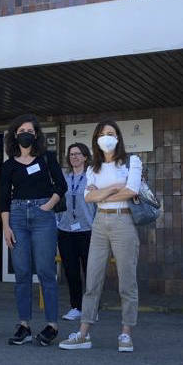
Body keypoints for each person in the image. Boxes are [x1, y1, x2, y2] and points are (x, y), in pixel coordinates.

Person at [60, 123, 142, 352]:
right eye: (102, 135)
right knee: (92, 280)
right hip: (99, 223)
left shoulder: (130, 161)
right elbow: (88, 197)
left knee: (127, 282)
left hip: (123, 220)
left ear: (118, 137)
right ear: (96, 139)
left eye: (111, 134)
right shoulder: (93, 167)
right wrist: (114, 189)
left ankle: (126, 333)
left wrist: (100, 194)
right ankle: (83, 333)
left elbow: (132, 190)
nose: (106, 138)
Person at [0, 114, 67, 346]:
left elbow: (61, 185)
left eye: (29, 130)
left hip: (42, 217)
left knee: (46, 272)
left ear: (36, 135)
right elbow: (3, 198)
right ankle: (24, 325)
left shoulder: (46, 158)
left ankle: (51, 325)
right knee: (22, 273)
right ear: (15, 136)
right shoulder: (9, 165)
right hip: (17, 217)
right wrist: (6, 227)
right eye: (21, 131)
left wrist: (47, 206)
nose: (25, 133)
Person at [56, 142, 92, 322]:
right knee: (71, 271)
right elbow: (56, 200)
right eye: (71, 154)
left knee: (90, 271)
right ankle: (76, 307)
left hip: (88, 230)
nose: (74, 157)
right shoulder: (64, 177)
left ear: (85, 156)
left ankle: (92, 308)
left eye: (78, 154)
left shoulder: (92, 177)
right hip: (66, 231)